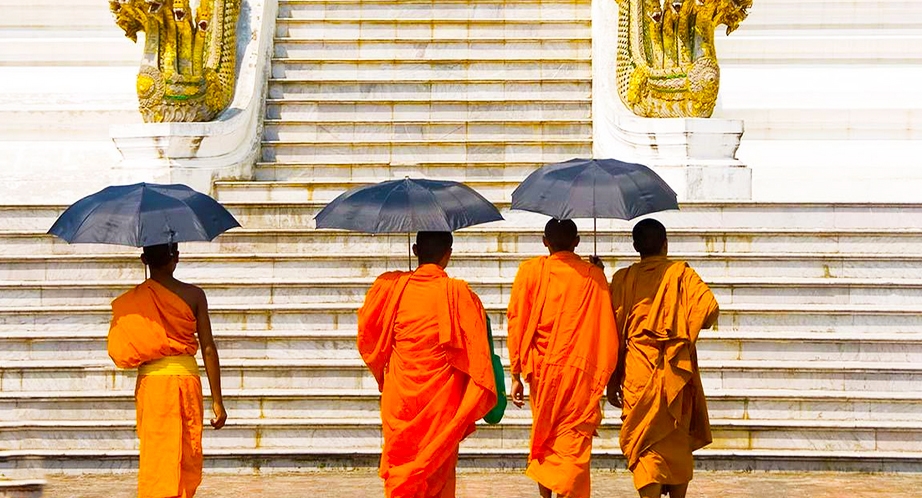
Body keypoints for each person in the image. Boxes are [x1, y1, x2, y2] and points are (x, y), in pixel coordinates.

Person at [357, 231, 497, 498]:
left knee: (403, 474)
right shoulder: (460, 295)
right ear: (449, 254)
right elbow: (479, 357)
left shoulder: (390, 289)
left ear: (414, 250)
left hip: (401, 402)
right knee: (437, 474)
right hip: (440, 407)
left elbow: (367, 335)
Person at [507, 219, 619, 498]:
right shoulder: (592, 276)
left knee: (545, 436)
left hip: (543, 373)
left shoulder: (530, 272)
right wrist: (598, 277)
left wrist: (516, 375)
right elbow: (606, 328)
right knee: (572, 441)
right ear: (578, 241)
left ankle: (547, 496)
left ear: (545, 241)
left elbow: (516, 322)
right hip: (580, 374)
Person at [608, 218, 719, 498]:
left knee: (646, 445)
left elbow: (611, 324)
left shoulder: (623, 279)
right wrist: (682, 334)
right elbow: (709, 309)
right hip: (673, 372)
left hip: (637, 370)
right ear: (666, 244)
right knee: (674, 438)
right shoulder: (680, 274)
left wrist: (612, 379)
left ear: (635, 246)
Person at [108, 243, 227, 498]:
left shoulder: (132, 302)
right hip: (186, 380)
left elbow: (120, 352)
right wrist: (218, 401)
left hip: (153, 386)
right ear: (177, 258)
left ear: (144, 259)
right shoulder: (194, 295)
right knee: (186, 450)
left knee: (156, 451)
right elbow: (208, 348)